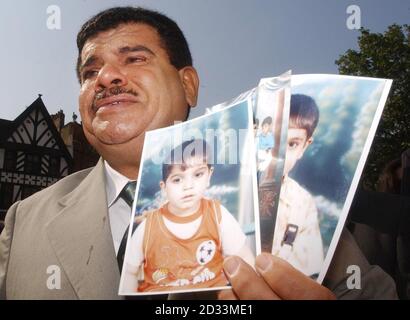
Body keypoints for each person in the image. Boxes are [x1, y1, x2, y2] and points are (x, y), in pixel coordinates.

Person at [0, 6, 397, 300]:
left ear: (188, 84)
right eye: (89, 72)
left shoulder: (279, 209)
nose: (105, 78)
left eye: (134, 58)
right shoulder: (23, 220)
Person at [121, 139, 253, 293]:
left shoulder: (218, 214)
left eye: (198, 174)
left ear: (209, 175)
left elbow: (243, 255)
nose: (188, 186)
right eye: (177, 179)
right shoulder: (148, 227)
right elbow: (129, 271)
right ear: (164, 188)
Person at [271, 94, 324, 278]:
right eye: (273, 139)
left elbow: (309, 272)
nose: (278, 154)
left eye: (292, 144)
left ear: (304, 147)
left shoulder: (302, 203)